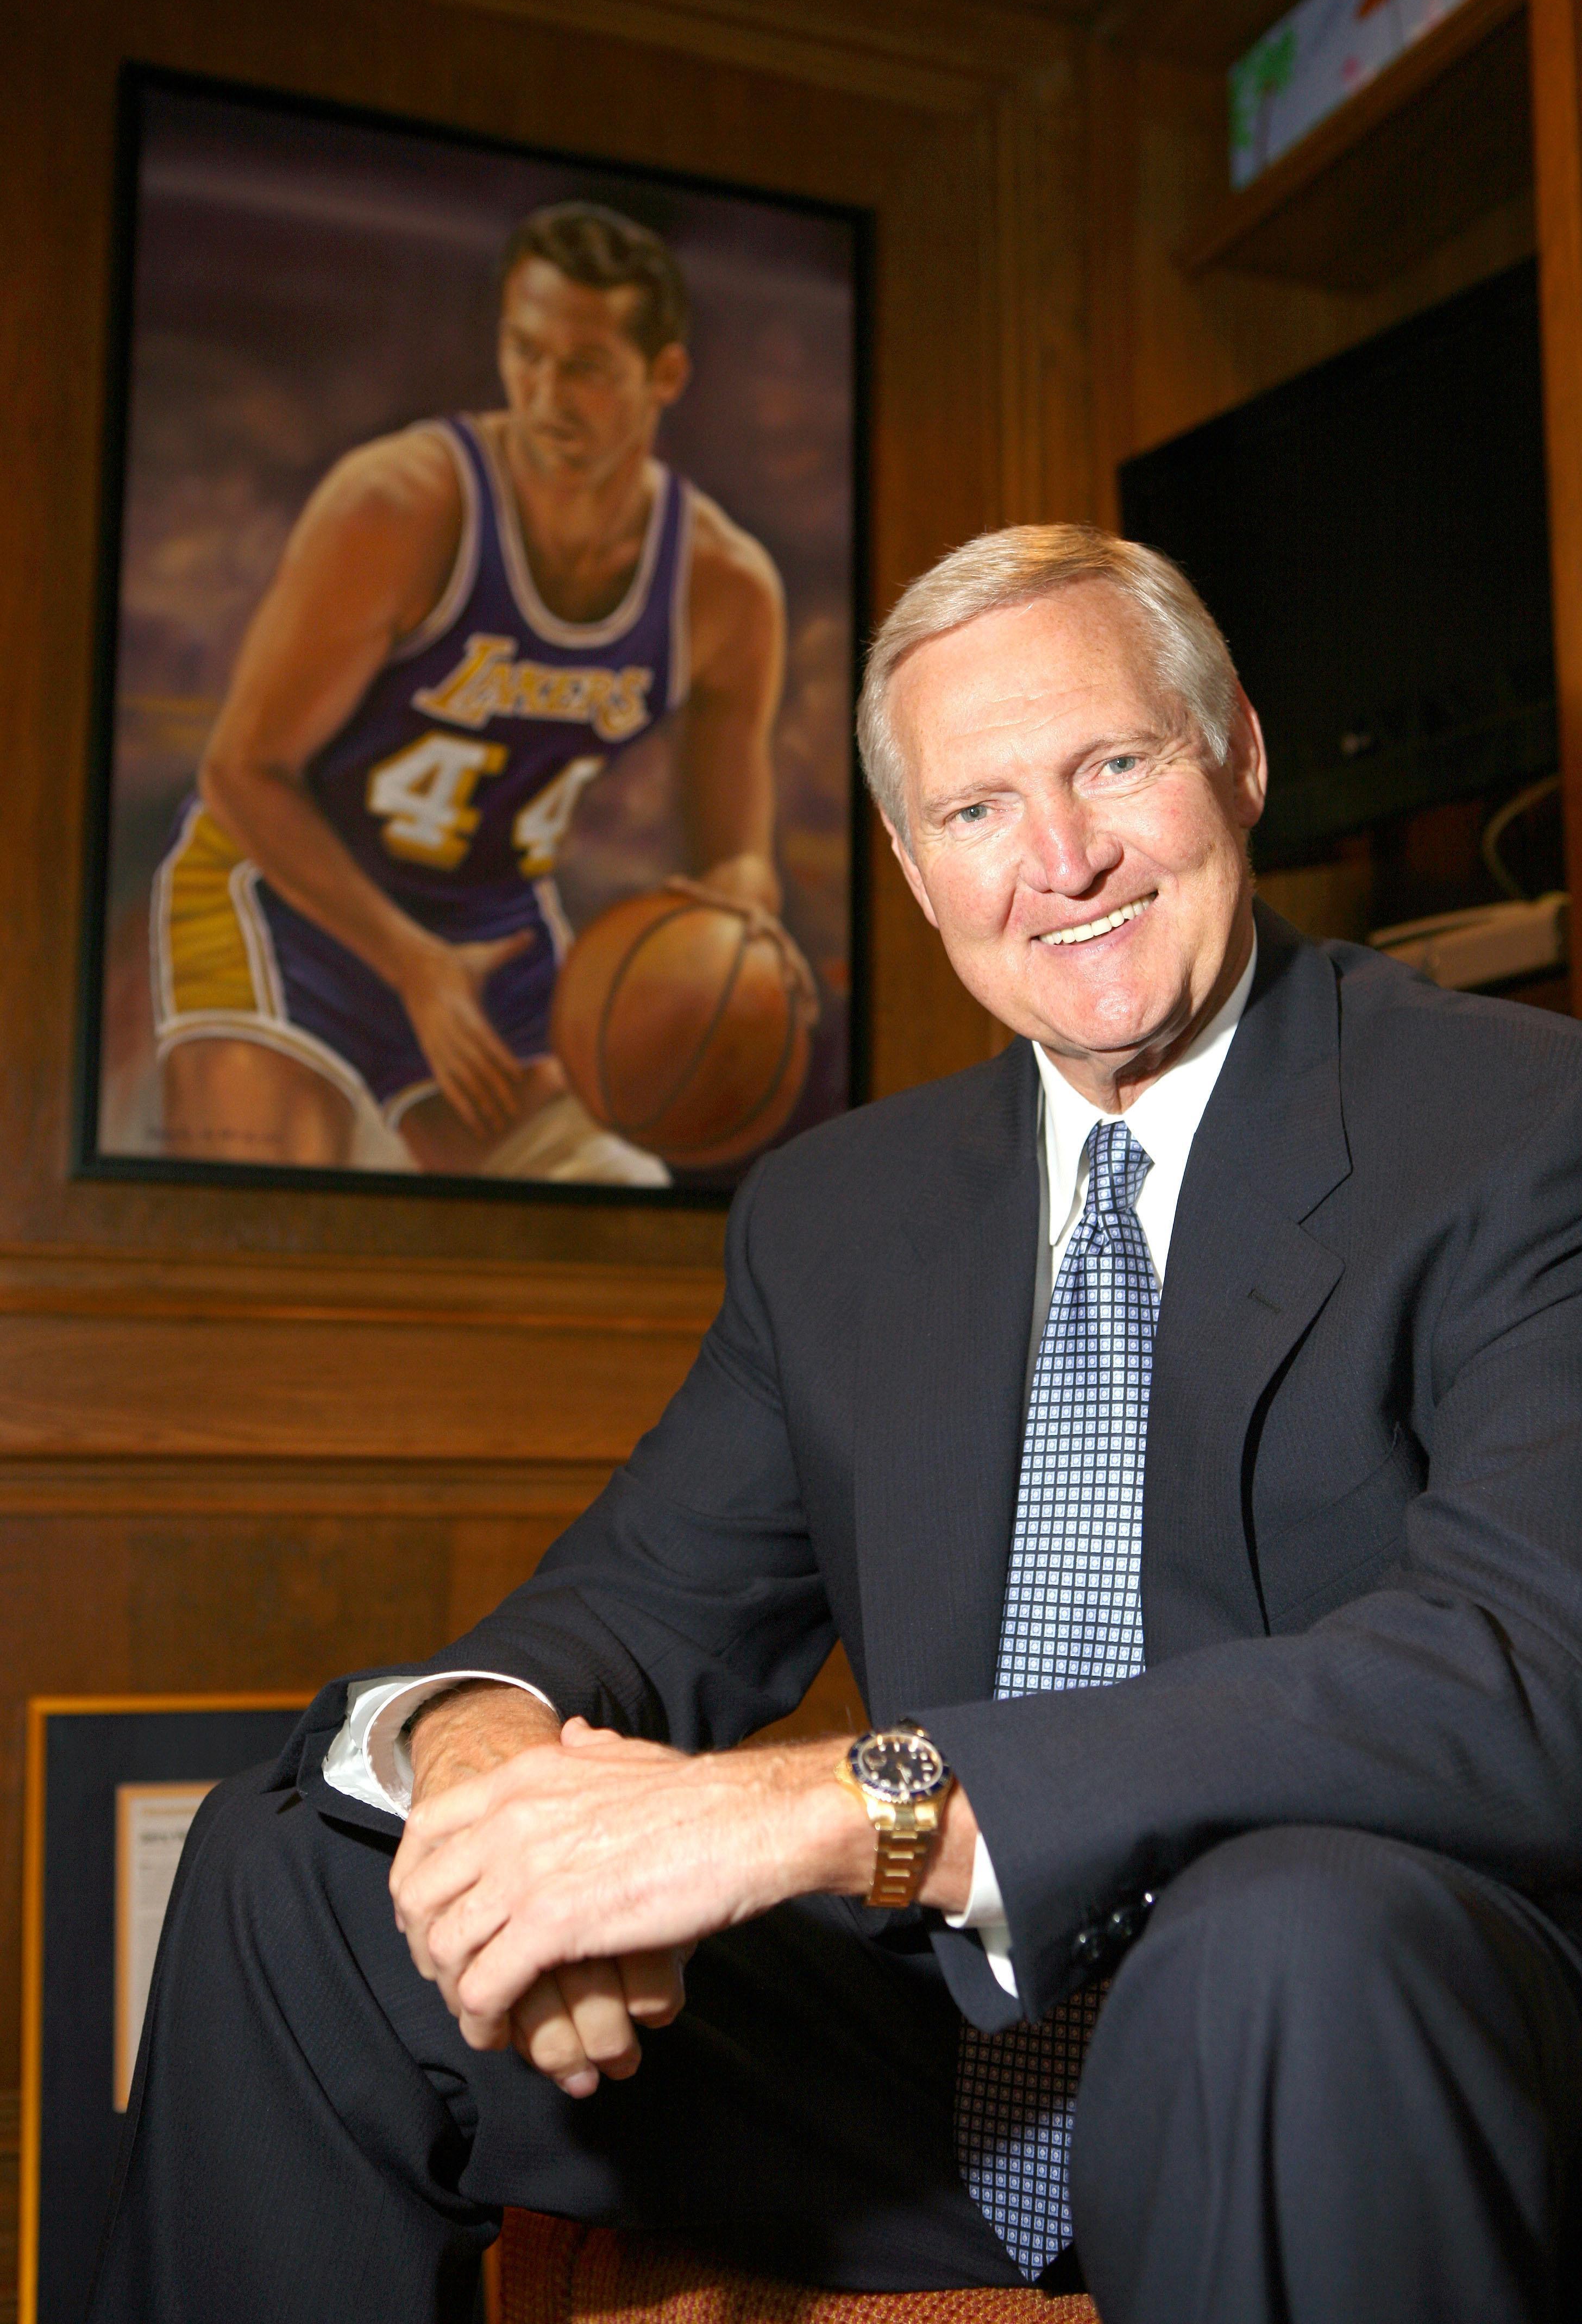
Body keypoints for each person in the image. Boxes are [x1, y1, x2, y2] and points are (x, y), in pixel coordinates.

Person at [94, 527, 1582, 2324]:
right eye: (977, 810)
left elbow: (1521, 1668)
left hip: (1350, 2031)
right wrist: (486, 1757)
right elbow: (643, 1602)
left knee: (1282, 1938)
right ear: (910, 863)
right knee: (296, 1872)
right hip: (953, 2062)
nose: (1061, 860)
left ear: (1240, 756)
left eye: (1115, 763)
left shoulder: (1518, 1124)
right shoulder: (838, 1213)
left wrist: (847, 1803)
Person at [152, 200, 805, 1182]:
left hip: (491, 935)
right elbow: (244, 773)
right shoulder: (396, 505)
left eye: (585, 367)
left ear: (664, 376)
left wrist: (743, 906)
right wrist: (411, 964)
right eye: (525, 352)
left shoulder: (725, 587)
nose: (546, 394)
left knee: (615, 1191)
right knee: (270, 1211)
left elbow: (733, 859)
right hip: (282, 900)